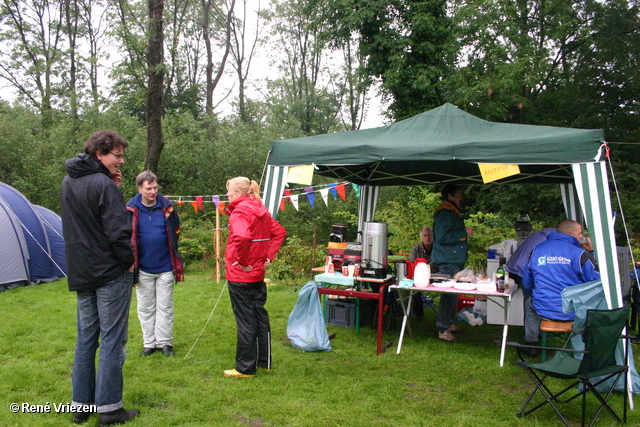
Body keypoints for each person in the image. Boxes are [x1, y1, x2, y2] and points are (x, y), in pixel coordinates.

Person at [60, 130, 139, 426]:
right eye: (116, 156)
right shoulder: (103, 184)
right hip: (108, 272)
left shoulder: (69, 181)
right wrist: (128, 263)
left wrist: (111, 184)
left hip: (81, 270)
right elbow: (118, 232)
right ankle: (109, 409)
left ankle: (81, 407)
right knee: (112, 340)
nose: (121, 161)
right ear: (99, 154)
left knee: (86, 340)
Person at [223, 177, 287, 378]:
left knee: (245, 320)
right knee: (259, 315)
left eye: (229, 191)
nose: (227, 194)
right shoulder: (260, 210)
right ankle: (264, 361)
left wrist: (242, 260)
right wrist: (268, 254)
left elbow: (242, 236)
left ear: (238, 193)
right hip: (257, 273)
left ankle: (245, 367)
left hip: (241, 274)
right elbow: (279, 232)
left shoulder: (240, 212)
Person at [127, 171, 183, 357]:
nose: (153, 191)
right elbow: (125, 236)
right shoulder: (130, 209)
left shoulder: (168, 208)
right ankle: (149, 343)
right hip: (142, 268)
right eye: (148, 188)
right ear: (139, 189)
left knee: (165, 306)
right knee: (145, 307)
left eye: (155, 187)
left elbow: (176, 232)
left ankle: (165, 343)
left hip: (166, 267)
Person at [522, 219, 600, 326]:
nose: (582, 237)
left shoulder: (537, 250)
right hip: (572, 311)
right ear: (570, 234)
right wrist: (592, 252)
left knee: (528, 303)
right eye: (580, 233)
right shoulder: (580, 254)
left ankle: (531, 339)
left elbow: (527, 282)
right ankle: (580, 336)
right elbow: (596, 281)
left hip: (542, 309)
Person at [431, 184, 474, 342]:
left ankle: (448, 324)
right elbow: (442, 237)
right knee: (448, 295)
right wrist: (464, 233)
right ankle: (443, 329)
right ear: (449, 196)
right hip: (448, 260)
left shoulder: (451, 212)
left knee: (452, 294)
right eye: (457, 195)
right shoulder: (444, 213)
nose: (460, 198)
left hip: (452, 259)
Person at [506, 228, 555, 346]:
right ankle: (534, 338)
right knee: (532, 302)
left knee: (530, 301)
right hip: (526, 269)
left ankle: (533, 337)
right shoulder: (552, 242)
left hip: (518, 266)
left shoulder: (542, 234)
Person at [408, 226, 434, 319]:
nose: (427, 238)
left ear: (433, 235)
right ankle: (418, 314)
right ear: (421, 237)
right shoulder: (415, 249)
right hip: (419, 277)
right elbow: (411, 263)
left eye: (429, 235)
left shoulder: (438, 249)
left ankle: (444, 317)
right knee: (415, 288)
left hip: (434, 277)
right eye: (425, 235)